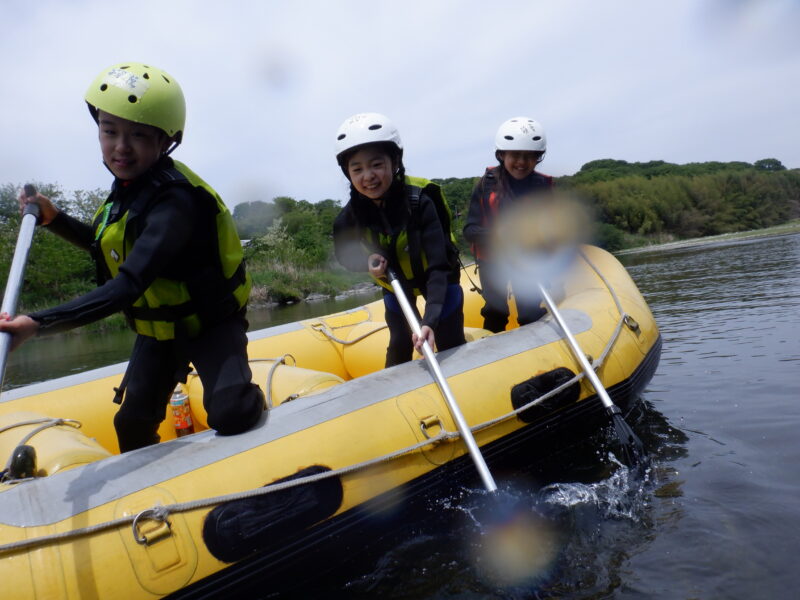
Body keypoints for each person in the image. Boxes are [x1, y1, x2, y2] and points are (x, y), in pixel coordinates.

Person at [0, 62, 265, 452]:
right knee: (132, 425)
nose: (120, 146)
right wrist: (53, 218)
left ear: (164, 142)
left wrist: (38, 323)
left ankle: (254, 396)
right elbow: (103, 245)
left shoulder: (175, 202)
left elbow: (128, 285)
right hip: (158, 332)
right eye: (110, 131)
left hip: (209, 323)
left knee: (231, 411)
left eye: (138, 134)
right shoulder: (125, 192)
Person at [332, 113, 466, 367]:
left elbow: (439, 264)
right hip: (396, 285)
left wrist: (430, 320)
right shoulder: (348, 218)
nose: (368, 176)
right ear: (348, 173)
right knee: (400, 342)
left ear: (394, 162)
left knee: (451, 340)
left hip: (439, 280)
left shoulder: (421, 203)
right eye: (357, 169)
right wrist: (366, 261)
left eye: (376, 164)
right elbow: (344, 256)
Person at [463, 116, 554, 333]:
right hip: (492, 261)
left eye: (529, 156)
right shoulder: (486, 185)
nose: (521, 162)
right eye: (515, 155)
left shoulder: (543, 186)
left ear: (537, 158)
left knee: (530, 313)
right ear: (502, 154)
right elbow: (470, 231)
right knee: (496, 312)